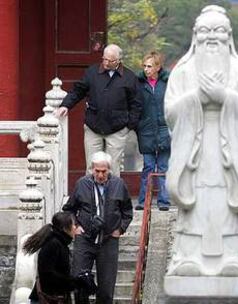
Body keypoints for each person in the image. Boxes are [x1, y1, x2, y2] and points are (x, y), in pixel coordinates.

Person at [164, 5, 238, 276]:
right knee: (196, 204)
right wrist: (197, 99)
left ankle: (235, 258)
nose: (212, 37)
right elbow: (170, 113)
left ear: (229, 36)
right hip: (195, 149)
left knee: (228, 201)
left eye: (219, 31)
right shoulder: (182, 71)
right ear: (195, 36)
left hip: (229, 150)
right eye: (205, 31)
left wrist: (225, 97)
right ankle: (187, 257)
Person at [55, 44, 142, 177]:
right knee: (91, 167)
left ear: (118, 60)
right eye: (104, 59)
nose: (106, 63)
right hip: (93, 126)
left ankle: (112, 198)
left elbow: (136, 104)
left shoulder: (129, 77)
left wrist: (129, 125)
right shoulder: (92, 72)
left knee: (113, 168)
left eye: (110, 61)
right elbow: (78, 90)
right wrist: (65, 105)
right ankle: (90, 197)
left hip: (117, 129)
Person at [62, 151, 133, 303]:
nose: (100, 175)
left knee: (106, 289)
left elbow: (127, 211)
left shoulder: (118, 184)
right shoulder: (82, 183)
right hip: (85, 239)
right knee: (79, 283)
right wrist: (75, 226)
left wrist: (120, 229)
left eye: (104, 171)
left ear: (109, 170)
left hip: (108, 241)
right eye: (97, 171)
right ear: (91, 169)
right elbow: (69, 209)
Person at [24, 211, 90, 303]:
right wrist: (74, 282)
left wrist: (77, 281)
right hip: (46, 298)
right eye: (74, 224)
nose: (75, 227)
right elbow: (47, 274)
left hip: (55, 297)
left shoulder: (61, 244)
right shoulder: (53, 244)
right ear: (65, 228)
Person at [134, 51, 170, 211]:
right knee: (148, 167)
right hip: (146, 131)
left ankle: (163, 201)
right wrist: (138, 124)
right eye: (145, 66)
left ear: (157, 67)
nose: (146, 69)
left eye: (150, 66)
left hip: (164, 129)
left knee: (163, 167)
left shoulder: (167, 83)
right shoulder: (139, 83)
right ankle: (143, 201)